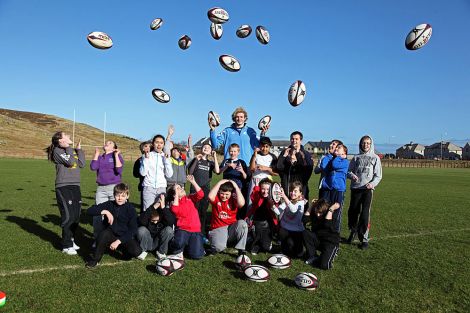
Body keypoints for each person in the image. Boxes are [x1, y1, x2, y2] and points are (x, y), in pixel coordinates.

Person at [85, 183, 145, 268]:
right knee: (104, 234)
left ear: (127, 196)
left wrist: (118, 241)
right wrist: (105, 211)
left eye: (123, 196)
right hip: (111, 234)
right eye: (117, 195)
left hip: (124, 236)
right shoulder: (109, 204)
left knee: (136, 251)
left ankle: (122, 249)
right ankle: (95, 260)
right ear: (114, 195)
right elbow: (89, 211)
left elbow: (133, 229)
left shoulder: (131, 209)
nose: (120, 198)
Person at [46, 131, 85, 255]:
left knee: (76, 216)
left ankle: (71, 240)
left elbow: (81, 164)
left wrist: (78, 150)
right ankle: (66, 245)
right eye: (66, 135)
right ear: (60, 140)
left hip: (75, 185)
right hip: (63, 186)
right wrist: (69, 147)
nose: (69, 136)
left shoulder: (70, 149)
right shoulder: (57, 151)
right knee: (68, 216)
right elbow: (69, 162)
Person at [346, 135, 382, 249]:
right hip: (356, 189)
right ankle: (353, 231)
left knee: (365, 214)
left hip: (367, 190)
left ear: (371, 144)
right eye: (363, 143)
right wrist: (352, 176)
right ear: (360, 144)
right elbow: (348, 171)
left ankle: (364, 239)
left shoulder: (375, 158)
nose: (365, 145)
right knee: (353, 212)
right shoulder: (356, 157)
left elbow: (378, 176)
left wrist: (372, 184)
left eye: (368, 143)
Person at [90, 140, 124, 241]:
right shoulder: (100, 157)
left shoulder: (116, 156)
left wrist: (117, 155)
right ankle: (98, 239)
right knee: (98, 214)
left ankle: (116, 238)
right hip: (101, 189)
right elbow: (93, 167)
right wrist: (96, 154)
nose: (106, 143)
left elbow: (119, 170)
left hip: (114, 188)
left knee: (117, 213)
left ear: (114, 148)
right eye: (106, 142)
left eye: (109, 143)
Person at [187, 143, 220, 243]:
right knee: (194, 211)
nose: (206, 148)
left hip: (205, 190)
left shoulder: (210, 163)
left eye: (208, 148)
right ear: (201, 149)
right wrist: (196, 159)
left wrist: (214, 156)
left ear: (210, 151)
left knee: (203, 212)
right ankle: (192, 232)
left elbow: (218, 171)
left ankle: (202, 233)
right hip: (195, 189)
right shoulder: (196, 159)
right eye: (204, 147)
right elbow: (190, 172)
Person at [167, 175, 205, 259]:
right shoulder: (174, 203)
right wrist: (176, 193)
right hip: (183, 230)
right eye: (178, 189)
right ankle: (175, 248)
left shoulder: (189, 198)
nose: (182, 188)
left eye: (181, 187)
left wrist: (193, 182)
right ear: (175, 195)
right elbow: (175, 210)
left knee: (197, 256)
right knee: (179, 243)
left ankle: (189, 246)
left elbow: (201, 194)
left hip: (195, 231)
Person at [207, 179, 248, 256]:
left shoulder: (234, 199)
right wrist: (219, 182)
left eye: (227, 194)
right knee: (218, 248)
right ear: (219, 192)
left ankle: (241, 249)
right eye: (222, 193)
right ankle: (218, 241)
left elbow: (242, 203)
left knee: (242, 224)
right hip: (218, 227)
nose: (224, 196)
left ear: (231, 193)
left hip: (231, 228)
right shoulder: (216, 198)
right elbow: (210, 196)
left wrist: (236, 186)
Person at [318, 144, 349, 232]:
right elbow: (323, 166)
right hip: (328, 188)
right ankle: (324, 232)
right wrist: (330, 155)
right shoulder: (331, 158)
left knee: (336, 213)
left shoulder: (345, 161)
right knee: (324, 210)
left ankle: (335, 234)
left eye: (339, 148)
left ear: (344, 153)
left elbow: (335, 165)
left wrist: (338, 156)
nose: (336, 148)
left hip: (338, 190)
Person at [302, 199, 341, 270]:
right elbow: (304, 220)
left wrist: (331, 209)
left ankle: (331, 253)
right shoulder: (315, 214)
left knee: (324, 266)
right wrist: (311, 205)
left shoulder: (330, 214)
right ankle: (313, 256)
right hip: (319, 240)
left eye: (320, 213)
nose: (318, 214)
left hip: (330, 242)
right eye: (316, 211)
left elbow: (327, 224)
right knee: (305, 232)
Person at [277, 131, 313, 203]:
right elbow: (279, 167)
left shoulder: (305, 154)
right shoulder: (285, 152)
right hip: (286, 187)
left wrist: (296, 162)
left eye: (296, 139)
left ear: (301, 140)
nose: (294, 141)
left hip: (300, 189)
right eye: (292, 139)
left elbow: (308, 169)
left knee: (300, 212)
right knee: (285, 211)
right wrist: (284, 157)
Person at [136, 193, 175, 260]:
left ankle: (161, 252)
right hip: (148, 241)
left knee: (169, 230)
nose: (155, 222)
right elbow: (141, 221)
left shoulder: (165, 212)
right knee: (141, 229)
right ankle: (143, 250)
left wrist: (163, 207)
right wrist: (153, 207)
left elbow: (171, 222)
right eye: (153, 221)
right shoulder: (150, 210)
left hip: (159, 242)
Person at [139, 134, 173, 210]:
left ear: (164, 144)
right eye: (157, 142)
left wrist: (166, 160)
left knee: (160, 212)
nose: (159, 145)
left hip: (161, 188)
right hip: (148, 187)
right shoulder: (147, 155)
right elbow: (143, 173)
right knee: (147, 212)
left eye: (161, 143)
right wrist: (146, 159)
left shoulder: (166, 156)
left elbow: (169, 174)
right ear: (153, 143)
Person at [245, 178, 278, 255]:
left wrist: (271, 203)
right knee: (257, 234)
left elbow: (277, 209)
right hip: (257, 222)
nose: (265, 191)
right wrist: (257, 186)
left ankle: (266, 242)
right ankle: (255, 243)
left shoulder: (272, 198)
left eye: (268, 189)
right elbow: (254, 197)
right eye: (263, 189)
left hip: (268, 224)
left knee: (266, 247)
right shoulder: (258, 195)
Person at [273, 181, 306, 258]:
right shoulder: (288, 201)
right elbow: (278, 212)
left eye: (295, 191)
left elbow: (293, 209)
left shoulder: (301, 203)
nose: (292, 193)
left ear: (300, 193)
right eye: (291, 190)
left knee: (295, 253)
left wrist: (284, 196)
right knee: (286, 250)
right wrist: (272, 204)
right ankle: (284, 248)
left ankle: (300, 250)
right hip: (285, 229)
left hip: (297, 231)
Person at [247, 137, 278, 204]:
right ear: (260, 146)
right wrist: (254, 156)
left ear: (270, 147)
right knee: (251, 202)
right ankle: (251, 214)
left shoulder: (273, 157)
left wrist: (266, 168)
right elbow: (251, 169)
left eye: (267, 147)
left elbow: (276, 173)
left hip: (267, 182)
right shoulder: (256, 155)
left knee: (266, 202)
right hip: (255, 181)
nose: (264, 149)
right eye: (262, 146)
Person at [133, 140, 152, 211]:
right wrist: (142, 170)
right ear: (142, 148)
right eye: (146, 146)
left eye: (149, 146)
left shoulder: (154, 158)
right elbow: (135, 174)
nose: (148, 148)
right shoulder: (139, 161)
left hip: (155, 185)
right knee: (144, 207)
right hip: (144, 185)